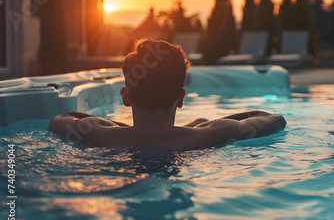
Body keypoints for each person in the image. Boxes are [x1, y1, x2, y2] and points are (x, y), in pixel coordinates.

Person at [48, 39, 286, 150]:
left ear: (125, 97)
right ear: (181, 97)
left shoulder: (97, 134)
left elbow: (59, 120)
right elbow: (272, 119)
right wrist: (204, 125)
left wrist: (114, 125)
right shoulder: (210, 135)